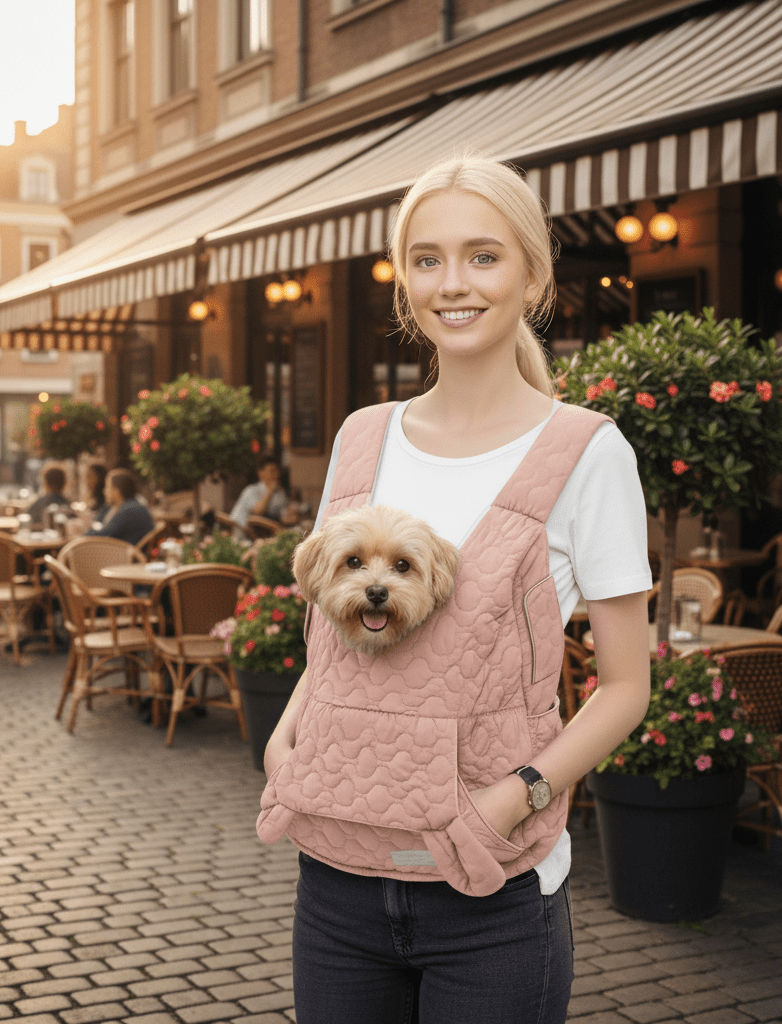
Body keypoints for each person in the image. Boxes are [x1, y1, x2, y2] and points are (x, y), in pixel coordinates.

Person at [261, 156, 652, 1024]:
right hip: (336, 884)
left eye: (483, 256)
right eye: (427, 259)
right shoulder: (362, 438)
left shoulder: (589, 452)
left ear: (532, 277)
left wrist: (512, 800)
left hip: (492, 900)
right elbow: (332, 646)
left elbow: (627, 688)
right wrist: (282, 748)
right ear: (405, 284)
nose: (453, 283)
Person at [87, 468, 154, 546]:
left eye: (107, 487)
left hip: (122, 552)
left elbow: (104, 534)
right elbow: (100, 522)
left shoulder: (129, 509)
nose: (104, 491)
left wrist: (85, 533)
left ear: (116, 491)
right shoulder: (125, 505)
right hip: (120, 549)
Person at [230, 455, 290, 530]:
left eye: (277, 471)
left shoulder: (280, 493)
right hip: (241, 531)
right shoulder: (251, 490)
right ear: (260, 473)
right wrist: (270, 491)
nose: (276, 475)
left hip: (264, 532)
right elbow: (258, 511)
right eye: (272, 471)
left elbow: (282, 514)